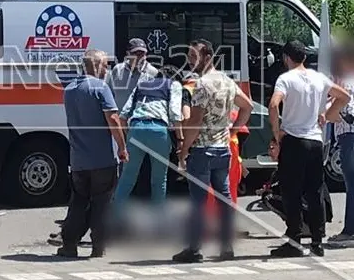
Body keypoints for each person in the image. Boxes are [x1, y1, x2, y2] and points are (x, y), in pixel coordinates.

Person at [173, 39, 253, 263]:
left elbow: (195, 121)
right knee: (224, 198)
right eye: (189, 55)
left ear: (208, 56)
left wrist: (184, 148)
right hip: (222, 150)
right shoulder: (227, 82)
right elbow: (248, 106)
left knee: (198, 201)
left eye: (194, 56)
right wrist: (233, 131)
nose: (190, 60)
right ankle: (226, 246)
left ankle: (194, 249)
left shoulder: (201, 85)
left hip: (202, 150)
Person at [268, 40, 349, 257]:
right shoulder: (318, 78)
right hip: (315, 140)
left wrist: (277, 134)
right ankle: (317, 241)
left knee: (291, 192)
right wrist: (328, 112)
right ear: (304, 56)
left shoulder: (285, 79)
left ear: (286, 58)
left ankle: (294, 239)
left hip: (294, 139)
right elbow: (344, 96)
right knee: (315, 191)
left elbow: (274, 104)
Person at [59, 48, 128, 258]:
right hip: (101, 159)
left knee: (78, 202)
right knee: (101, 203)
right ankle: (98, 247)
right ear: (97, 66)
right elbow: (113, 119)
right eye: (105, 65)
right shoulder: (101, 88)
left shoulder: (69, 89)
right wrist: (122, 147)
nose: (107, 69)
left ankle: (69, 245)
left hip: (78, 160)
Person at [112, 65, 184, 214]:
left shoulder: (141, 85)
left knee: (127, 177)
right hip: (158, 130)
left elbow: (123, 116)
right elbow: (175, 114)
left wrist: (128, 137)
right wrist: (181, 140)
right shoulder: (174, 84)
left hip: (136, 128)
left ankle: (114, 217)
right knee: (159, 179)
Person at [328, 44, 354, 246]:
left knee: (351, 185)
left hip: (349, 137)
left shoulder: (346, 81)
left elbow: (349, 113)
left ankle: (350, 230)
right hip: (347, 137)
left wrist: (330, 111)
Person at [106, 38, 158, 110]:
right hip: (119, 119)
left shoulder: (153, 72)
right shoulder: (117, 69)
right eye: (137, 54)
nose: (140, 57)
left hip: (141, 120)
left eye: (143, 54)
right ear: (128, 54)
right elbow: (109, 95)